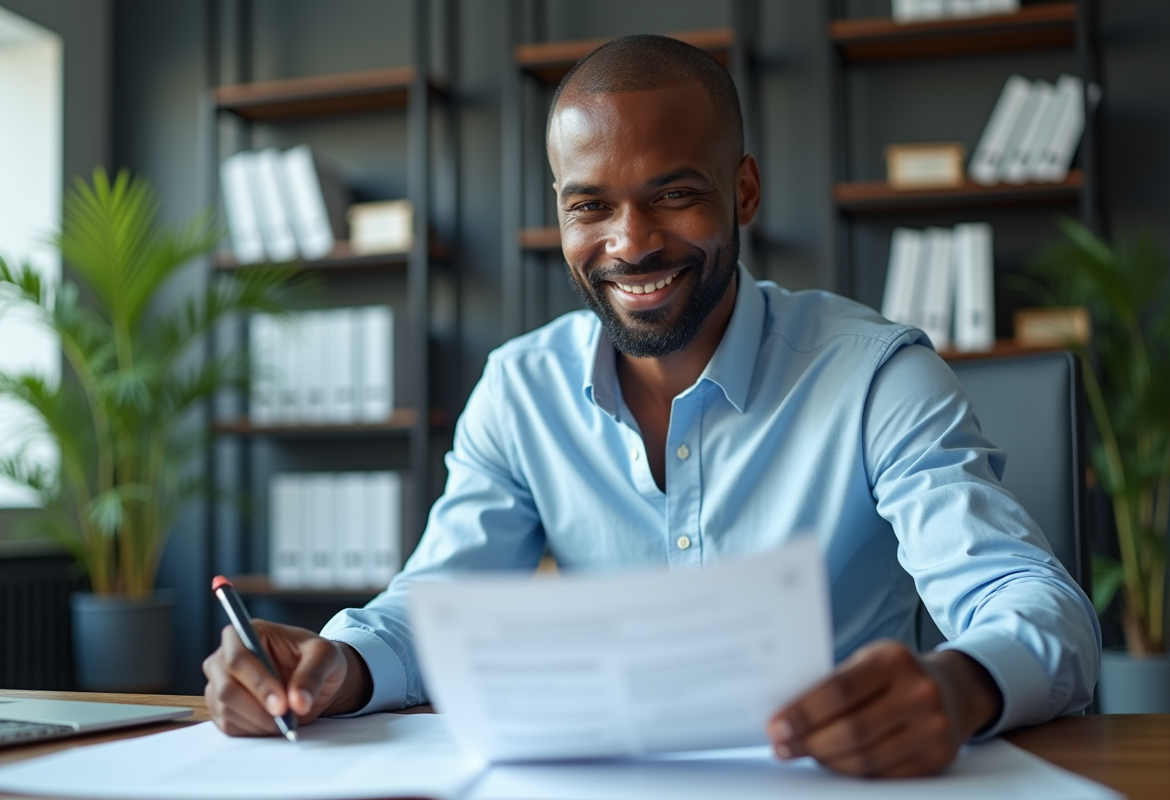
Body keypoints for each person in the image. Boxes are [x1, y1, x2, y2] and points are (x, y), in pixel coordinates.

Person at [203, 34, 1100, 778]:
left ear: (743, 191)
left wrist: (960, 686)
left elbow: (1030, 600)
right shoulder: (520, 390)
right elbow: (436, 604)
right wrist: (338, 666)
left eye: (673, 194)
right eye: (591, 206)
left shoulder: (878, 377)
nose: (630, 244)